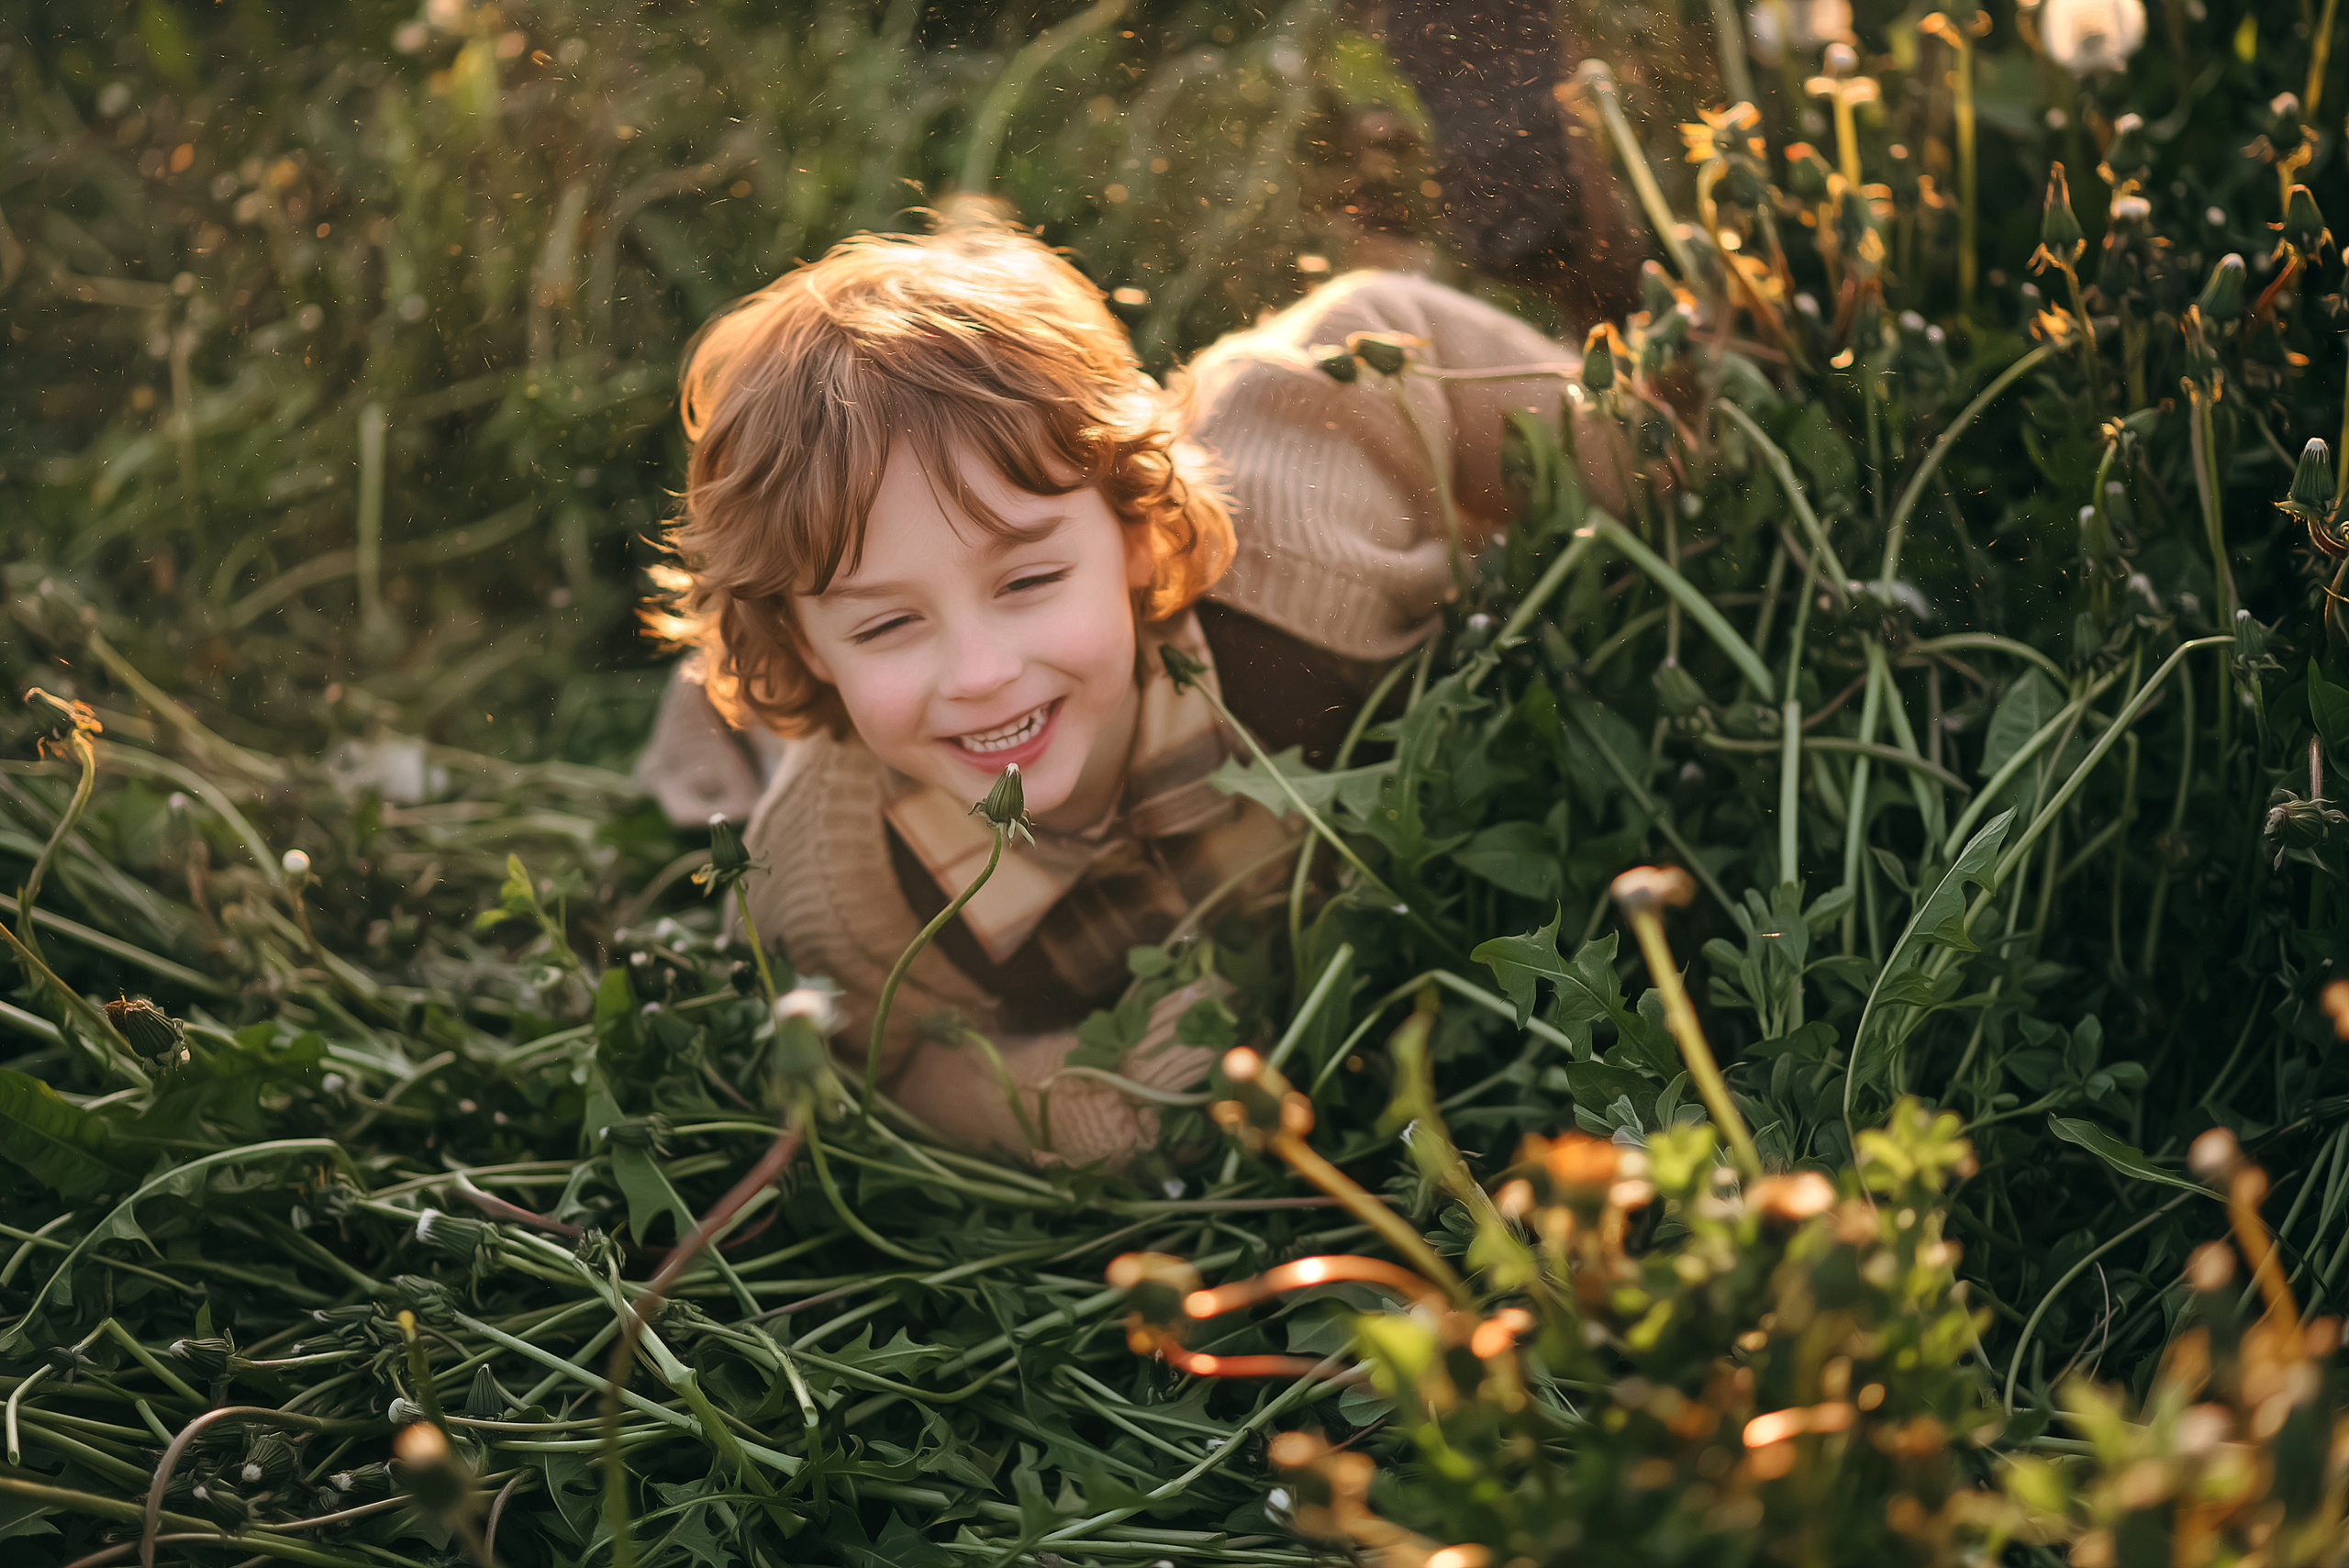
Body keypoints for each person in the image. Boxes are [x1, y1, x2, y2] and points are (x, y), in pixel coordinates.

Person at [639, 210, 1626, 1166]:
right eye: (886, 621)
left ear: (1136, 532)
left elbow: (1379, 326)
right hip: (830, 756)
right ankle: (715, 696)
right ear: (809, 644)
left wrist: (1642, 462)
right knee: (730, 747)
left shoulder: (1296, 530)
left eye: (1027, 581)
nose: (981, 674)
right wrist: (1080, 1102)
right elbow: (864, 1074)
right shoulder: (833, 889)